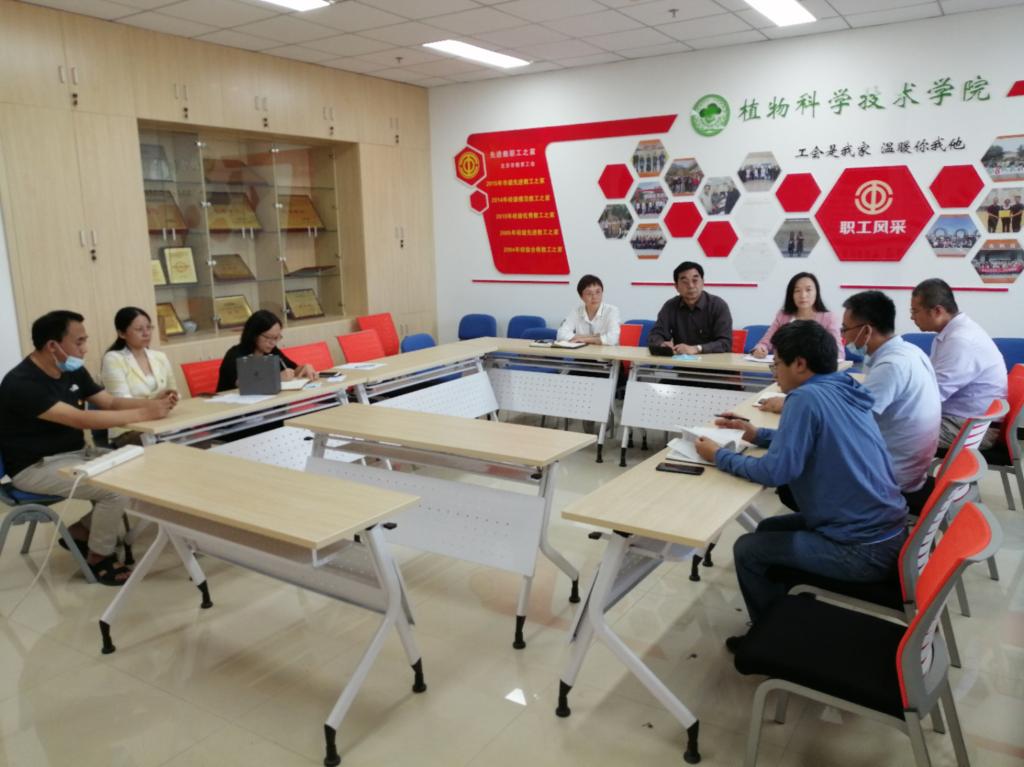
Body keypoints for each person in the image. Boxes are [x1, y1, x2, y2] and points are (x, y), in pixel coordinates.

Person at [694, 321, 907, 636]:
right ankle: (786, 608)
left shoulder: (803, 398)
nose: (775, 373)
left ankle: (770, 637)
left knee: (747, 549)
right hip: (887, 533)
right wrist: (755, 434)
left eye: (777, 364)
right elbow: (815, 437)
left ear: (800, 364)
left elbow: (775, 472)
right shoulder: (842, 385)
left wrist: (718, 456)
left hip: (861, 550)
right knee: (767, 529)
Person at [0, 310, 177, 585]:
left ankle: (81, 531)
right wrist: (146, 413)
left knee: (144, 470)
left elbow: (110, 402)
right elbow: (79, 419)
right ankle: (99, 556)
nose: (85, 349)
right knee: (114, 491)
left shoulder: (71, 369)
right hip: (35, 466)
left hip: (78, 455)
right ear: (53, 346)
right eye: (79, 342)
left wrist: (152, 403)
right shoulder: (21, 383)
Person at [910, 278, 1006, 449]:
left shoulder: (960, 340)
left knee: (888, 432)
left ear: (937, 311)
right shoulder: (951, 333)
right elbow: (929, 381)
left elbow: (932, 395)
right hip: (959, 418)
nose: (912, 317)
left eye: (915, 311)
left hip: (970, 427)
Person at [100, 307, 179, 445]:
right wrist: (155, 400)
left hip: (162, 422)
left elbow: (175, 391)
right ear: (122, 333)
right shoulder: (113, 359)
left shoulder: (160, 357)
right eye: (139, 329)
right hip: (129, 429)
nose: (146, 333)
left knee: (197, 437)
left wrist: (172, 398)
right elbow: (121, 403)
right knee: (172, 445)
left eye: (149, 328)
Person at [216, 310, 316, 392]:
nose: (273, 343)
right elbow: (245, 384)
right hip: (235, 407)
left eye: (276, 338)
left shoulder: (272, 351)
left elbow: (292, 369)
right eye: (268, 338)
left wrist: (304, 368)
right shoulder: (235, 355)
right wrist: (276, 378)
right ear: (253, 334)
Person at [750, 272, 844, 360]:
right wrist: (760, 349)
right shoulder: (783, 316)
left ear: (816, 292)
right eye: (797, 291)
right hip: (784, 369)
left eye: (808, 290)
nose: (803, 295)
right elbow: (764, 343)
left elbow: (838, 353)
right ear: (791, 295)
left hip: (817, 369)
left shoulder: (828, 318)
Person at [648, 261, 732, 354]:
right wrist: (661, 344)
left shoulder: (718, 305)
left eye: (695, 280)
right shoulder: (670, 306)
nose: (691, 286)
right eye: (685, 282)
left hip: (713, 362)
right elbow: (656, 334)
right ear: (676, 286)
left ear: (703, 282)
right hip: (681, 361)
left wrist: (697, 348)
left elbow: (725, 343)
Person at [556, 274, 621, 345]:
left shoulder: (612, 311)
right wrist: (594, 337)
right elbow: (561, 335)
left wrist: (583, 339)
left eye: (598, 292)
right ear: (581, 296)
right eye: (589, 293)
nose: (594, 297)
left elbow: (613, 339)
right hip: (582, 352)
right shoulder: (576, 311)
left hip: (605, 352)